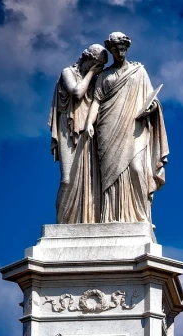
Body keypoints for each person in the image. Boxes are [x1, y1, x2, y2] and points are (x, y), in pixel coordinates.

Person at [85, 31, 169, 223]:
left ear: (127, 48)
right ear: (111, 50)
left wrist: (153, 107)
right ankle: (111, 217)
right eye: (116, 49)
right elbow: (96, 102)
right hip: (108, 126)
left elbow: (152, 98)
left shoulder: (139, 71)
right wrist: (89, 123)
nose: (120, 52)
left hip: (135, 126)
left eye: (122, 48)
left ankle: (140, 217)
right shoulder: (104, 76)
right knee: (110, 175)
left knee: (137, 169)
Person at [49, 44, 107, 223]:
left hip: (88, 132)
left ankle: (86, 220)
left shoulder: (95, 81)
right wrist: (91, 74)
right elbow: (76, 93)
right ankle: (62, 223)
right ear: (86, 58)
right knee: (67, 179)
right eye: (96, 64)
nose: (98, 70)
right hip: (68, 127)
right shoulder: (68, 72)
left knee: (88, 181)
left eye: (101, 67)